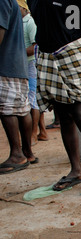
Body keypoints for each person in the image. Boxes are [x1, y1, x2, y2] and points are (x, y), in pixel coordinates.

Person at [28, 0, 81, 196]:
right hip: (47, 55)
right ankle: (76, 171)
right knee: (63, 116)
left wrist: (69, 40)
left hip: (72, 52)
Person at [0, 0, 37, 174]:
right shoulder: (11, 3)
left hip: (7, 62)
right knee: (23, 109)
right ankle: (27, 152)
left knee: (7, 109)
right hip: (19, 63)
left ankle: (17, 154)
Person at [18, 0, 47, 145]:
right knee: (31, 98)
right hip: (22, 64)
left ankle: (33, 134)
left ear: (23, 8)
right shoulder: (18, 22)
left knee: (33, 100)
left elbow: (35, 46)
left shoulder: (29, 23)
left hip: (30, 64)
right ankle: (42, 131)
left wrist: (15, 53)